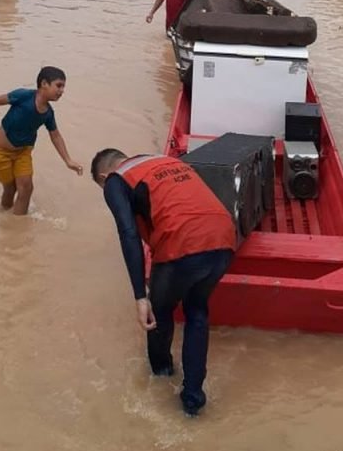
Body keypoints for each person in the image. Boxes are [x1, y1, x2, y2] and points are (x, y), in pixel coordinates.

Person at [91, 148, 235, 416]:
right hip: (224, 237)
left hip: (181, 242)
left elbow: (128, 233)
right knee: (197, 312)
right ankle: (193, 402)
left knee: (159, 312)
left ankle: (161, 375)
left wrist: (139, 296)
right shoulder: (165, 161)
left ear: (103, 175)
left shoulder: (115, 179)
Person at [0, 66, 83, 214]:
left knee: (27, 188)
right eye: (59, 85)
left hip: (23, 153)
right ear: (44, 83)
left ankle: (18, 226)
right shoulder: (23, 96)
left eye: (63, 87)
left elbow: (55, 135)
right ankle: (3, 215)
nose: (61, 91)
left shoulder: (48, 113)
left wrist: (68, 160)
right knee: (11, 188)